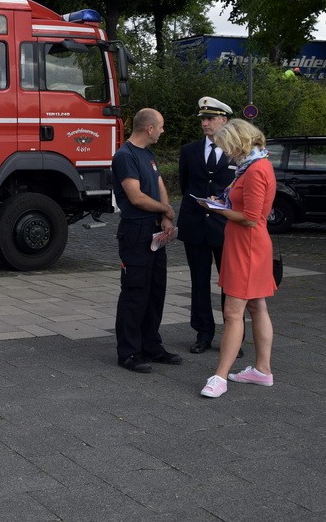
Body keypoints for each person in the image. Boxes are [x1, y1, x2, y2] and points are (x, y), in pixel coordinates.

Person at [199, 119, 277, 398]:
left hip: (247, 247)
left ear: (238, 142)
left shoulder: (255, 169)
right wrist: (221, 204)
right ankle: (262, 370)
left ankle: (220, 378)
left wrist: (216, 209)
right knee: (257, 307)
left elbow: (250, 219)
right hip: (249, 246)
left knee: (233, 313)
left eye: (228, 147)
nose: (228, 153)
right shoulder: (256, 164)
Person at [112, 108, 183, 373]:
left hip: (154, 230)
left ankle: (151, 345)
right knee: (135, 292)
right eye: (161, 127)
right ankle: (129, 352)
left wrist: (165, 217)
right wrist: (164, 210)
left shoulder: (148, 154)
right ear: (149, 129)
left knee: (155, 292)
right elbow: (136, 197)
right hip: (136, 233)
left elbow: (159, 184)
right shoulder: (125, 156)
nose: (163, 131)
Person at [177, 97, 236, 354]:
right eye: (202, 119)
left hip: (226, 227)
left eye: (210, 118)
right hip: (196, 225)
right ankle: (203, 332)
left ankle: (233, 333)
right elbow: (184, 185)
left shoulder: (238, 150)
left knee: (230, 283)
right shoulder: (190, 150)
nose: (205, 123)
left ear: (224, 120)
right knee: (198, 281)